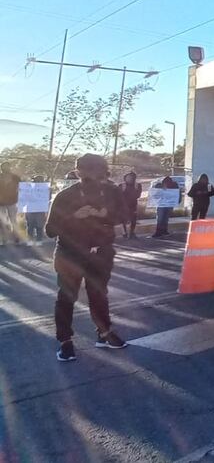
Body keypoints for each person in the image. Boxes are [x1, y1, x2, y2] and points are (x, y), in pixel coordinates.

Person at [46, 154, 127, 361]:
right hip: (69, 254)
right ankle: (65, 341)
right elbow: (49, 230)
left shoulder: (112, 191)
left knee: (99, 295)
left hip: (101, 253)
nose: (95, 178)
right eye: (89, 173)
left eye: (100, 173)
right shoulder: (65, 196)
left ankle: (104, 333)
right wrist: (74, 216)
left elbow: (124, 216)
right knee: (66, 298)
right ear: (78, 172)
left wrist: (104, 215)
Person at [0, 162, 21, 244]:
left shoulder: (16, 177)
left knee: (13, 220)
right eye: (4, 167)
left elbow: (23, 187)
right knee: (2, 221)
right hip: (1, 203)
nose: (6, 168)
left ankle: (16, 237)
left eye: (8, 167)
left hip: (12, 202)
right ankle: (4, 238)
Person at [116, 172, 141, 239]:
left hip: (133, 205)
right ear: (125, 178)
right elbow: (118, 196)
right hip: (123, 206)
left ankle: (132, 233)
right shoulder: (121, 185)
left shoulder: (138, 185)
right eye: (128, 177)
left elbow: (138, 195)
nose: (130, 179)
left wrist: (134, 192)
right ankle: (124, 234)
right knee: (123, 220)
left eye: (132, 177)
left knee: (133, 220)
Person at [23, 175, 47, 242]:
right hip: (31, 209)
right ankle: (31, 240)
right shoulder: (29, 188)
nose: (34, 182)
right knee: (31, 225)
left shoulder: (45, 189)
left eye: (36, 180)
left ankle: (38, 240)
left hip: (39, 209)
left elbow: (47, 198)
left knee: (38, 225)